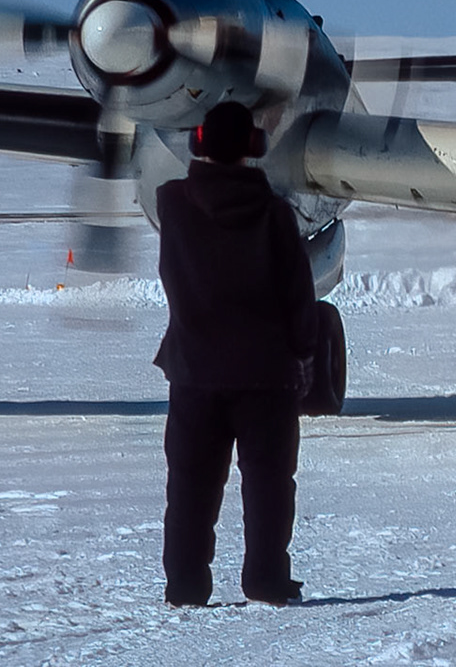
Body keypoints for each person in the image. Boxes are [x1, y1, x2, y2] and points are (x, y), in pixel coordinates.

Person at [155, 99, 317, 607]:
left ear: (198, 144)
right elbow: (298, 294)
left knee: (189, 483)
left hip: (193, 370)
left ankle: (185, 583)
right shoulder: (273, 214)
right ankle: (266, 579)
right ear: (254, 147)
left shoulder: (174, 205)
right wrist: (304, 353)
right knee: (268, 483)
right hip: (264, 375)